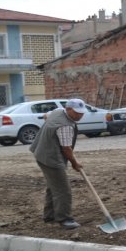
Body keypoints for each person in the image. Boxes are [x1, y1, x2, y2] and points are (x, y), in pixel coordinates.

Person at [30, 98, 87, 230]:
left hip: (40, 153)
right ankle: (64, 219)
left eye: (82, 113)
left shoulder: (57, 112)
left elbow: (46, 116)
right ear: (67, 109)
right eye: (77, 112)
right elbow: (66, 149)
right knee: (63, 190)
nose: (80, 115)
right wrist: (75, 163)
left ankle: (49, 215)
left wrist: (51, 127)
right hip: (51, 158)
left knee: (53, 186)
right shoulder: (65, 125)